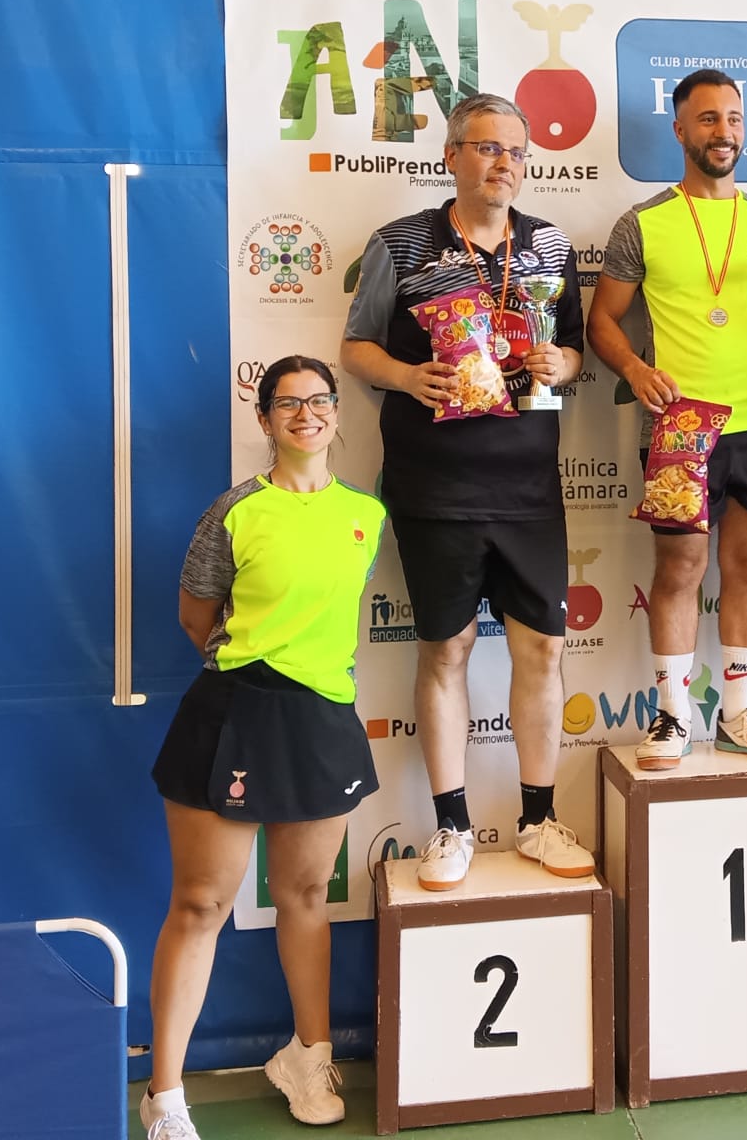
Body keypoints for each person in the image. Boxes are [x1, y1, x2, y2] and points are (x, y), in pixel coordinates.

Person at [341, 92, 595, 891]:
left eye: (516, 152)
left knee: (543, 649)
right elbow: (356, 347)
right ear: (451, 155)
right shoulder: (400, 242)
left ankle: (537, 819)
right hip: (436, 484)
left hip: (529, 485)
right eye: (486, 148)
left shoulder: (550, 245)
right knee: (445, 650)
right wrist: (407, 375)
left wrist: (563, 365)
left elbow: (577, 347)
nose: (503, 164)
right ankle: (450, 827)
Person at [142, 357, 383, 1138]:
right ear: (265, 418)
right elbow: (196, 618)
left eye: (319, 401)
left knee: (307, 897)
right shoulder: (234, 511)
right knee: (200, 905)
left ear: (337, 411)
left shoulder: (366, 514)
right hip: (234, 716)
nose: (306, 414)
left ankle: (307, 1058)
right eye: (288, 403)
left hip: (322, 722)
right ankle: (165, 1098)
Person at [587, 67, 747, 768]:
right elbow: (602, 322)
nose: (724, 132)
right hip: (681, 427)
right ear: (680, 129)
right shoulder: (642, 223)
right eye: (709, 119)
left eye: (734, 119)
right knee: (681, 566)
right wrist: (635, 370)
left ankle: (741, 715)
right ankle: (673, 718)